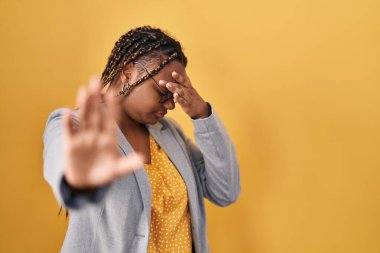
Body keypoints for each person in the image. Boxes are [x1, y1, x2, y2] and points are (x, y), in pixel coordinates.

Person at [43, 25, 241, 253]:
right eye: (163, 93)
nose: (170, 105)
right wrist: (77, 183)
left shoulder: (170, 133)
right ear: (129, 71)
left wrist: (202, 114)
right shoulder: (76, 125)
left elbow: (226, 191)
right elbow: (61, 160)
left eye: (174, 96)